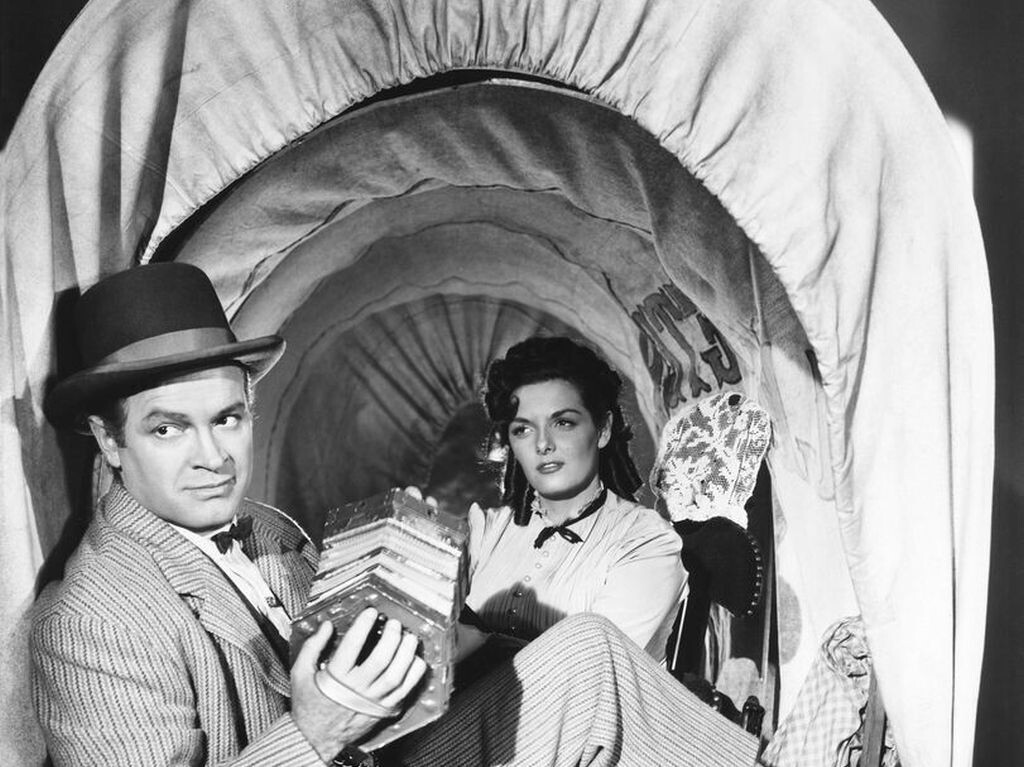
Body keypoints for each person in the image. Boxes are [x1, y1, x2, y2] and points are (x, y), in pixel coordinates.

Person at [31, 262, 760, 766]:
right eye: (168, 428)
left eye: (226, 418)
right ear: (109, 441)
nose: (212, 456)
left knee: (590, 653)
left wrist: (414, 609)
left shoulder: (267, 528)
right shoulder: (95, 619)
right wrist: (315, 732)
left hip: (391, 751)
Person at [462, 336, 686, 661]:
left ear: (603, 429)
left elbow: (589, 670)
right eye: (523, 429)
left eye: (563, 423)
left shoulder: (646, 542)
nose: (543, 444)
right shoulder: (485, 531)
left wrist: (472, 639)